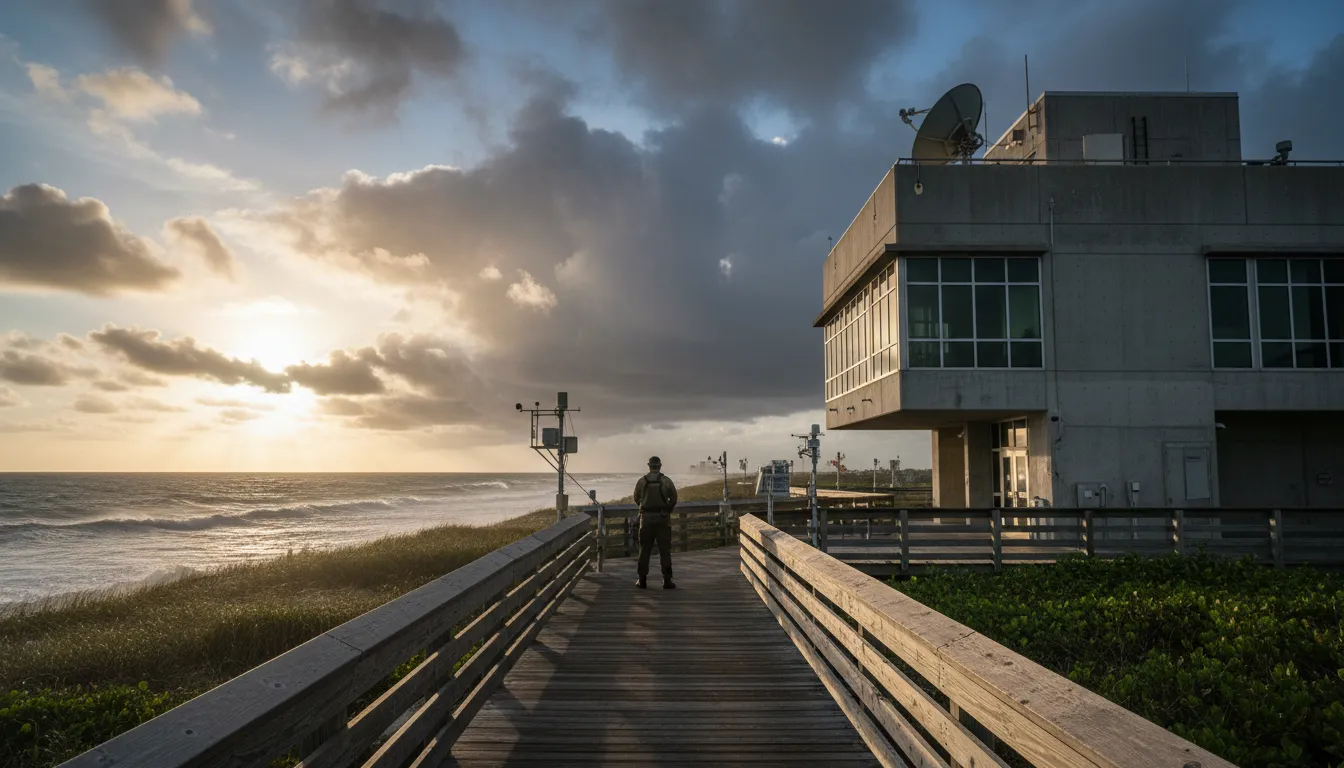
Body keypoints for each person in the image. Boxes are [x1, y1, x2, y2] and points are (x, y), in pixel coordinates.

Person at [633, 456, 678, 589]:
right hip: (662, 518)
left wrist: (644, 507)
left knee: (644, 550)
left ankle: (642, 579)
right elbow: (674, 498)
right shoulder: (666, 481)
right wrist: (667, 509)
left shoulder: (642, 481)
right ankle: (667, 579)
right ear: (660, 465)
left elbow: (636, 498)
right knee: (665, 550)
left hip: (646, 519)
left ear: (649, 465)